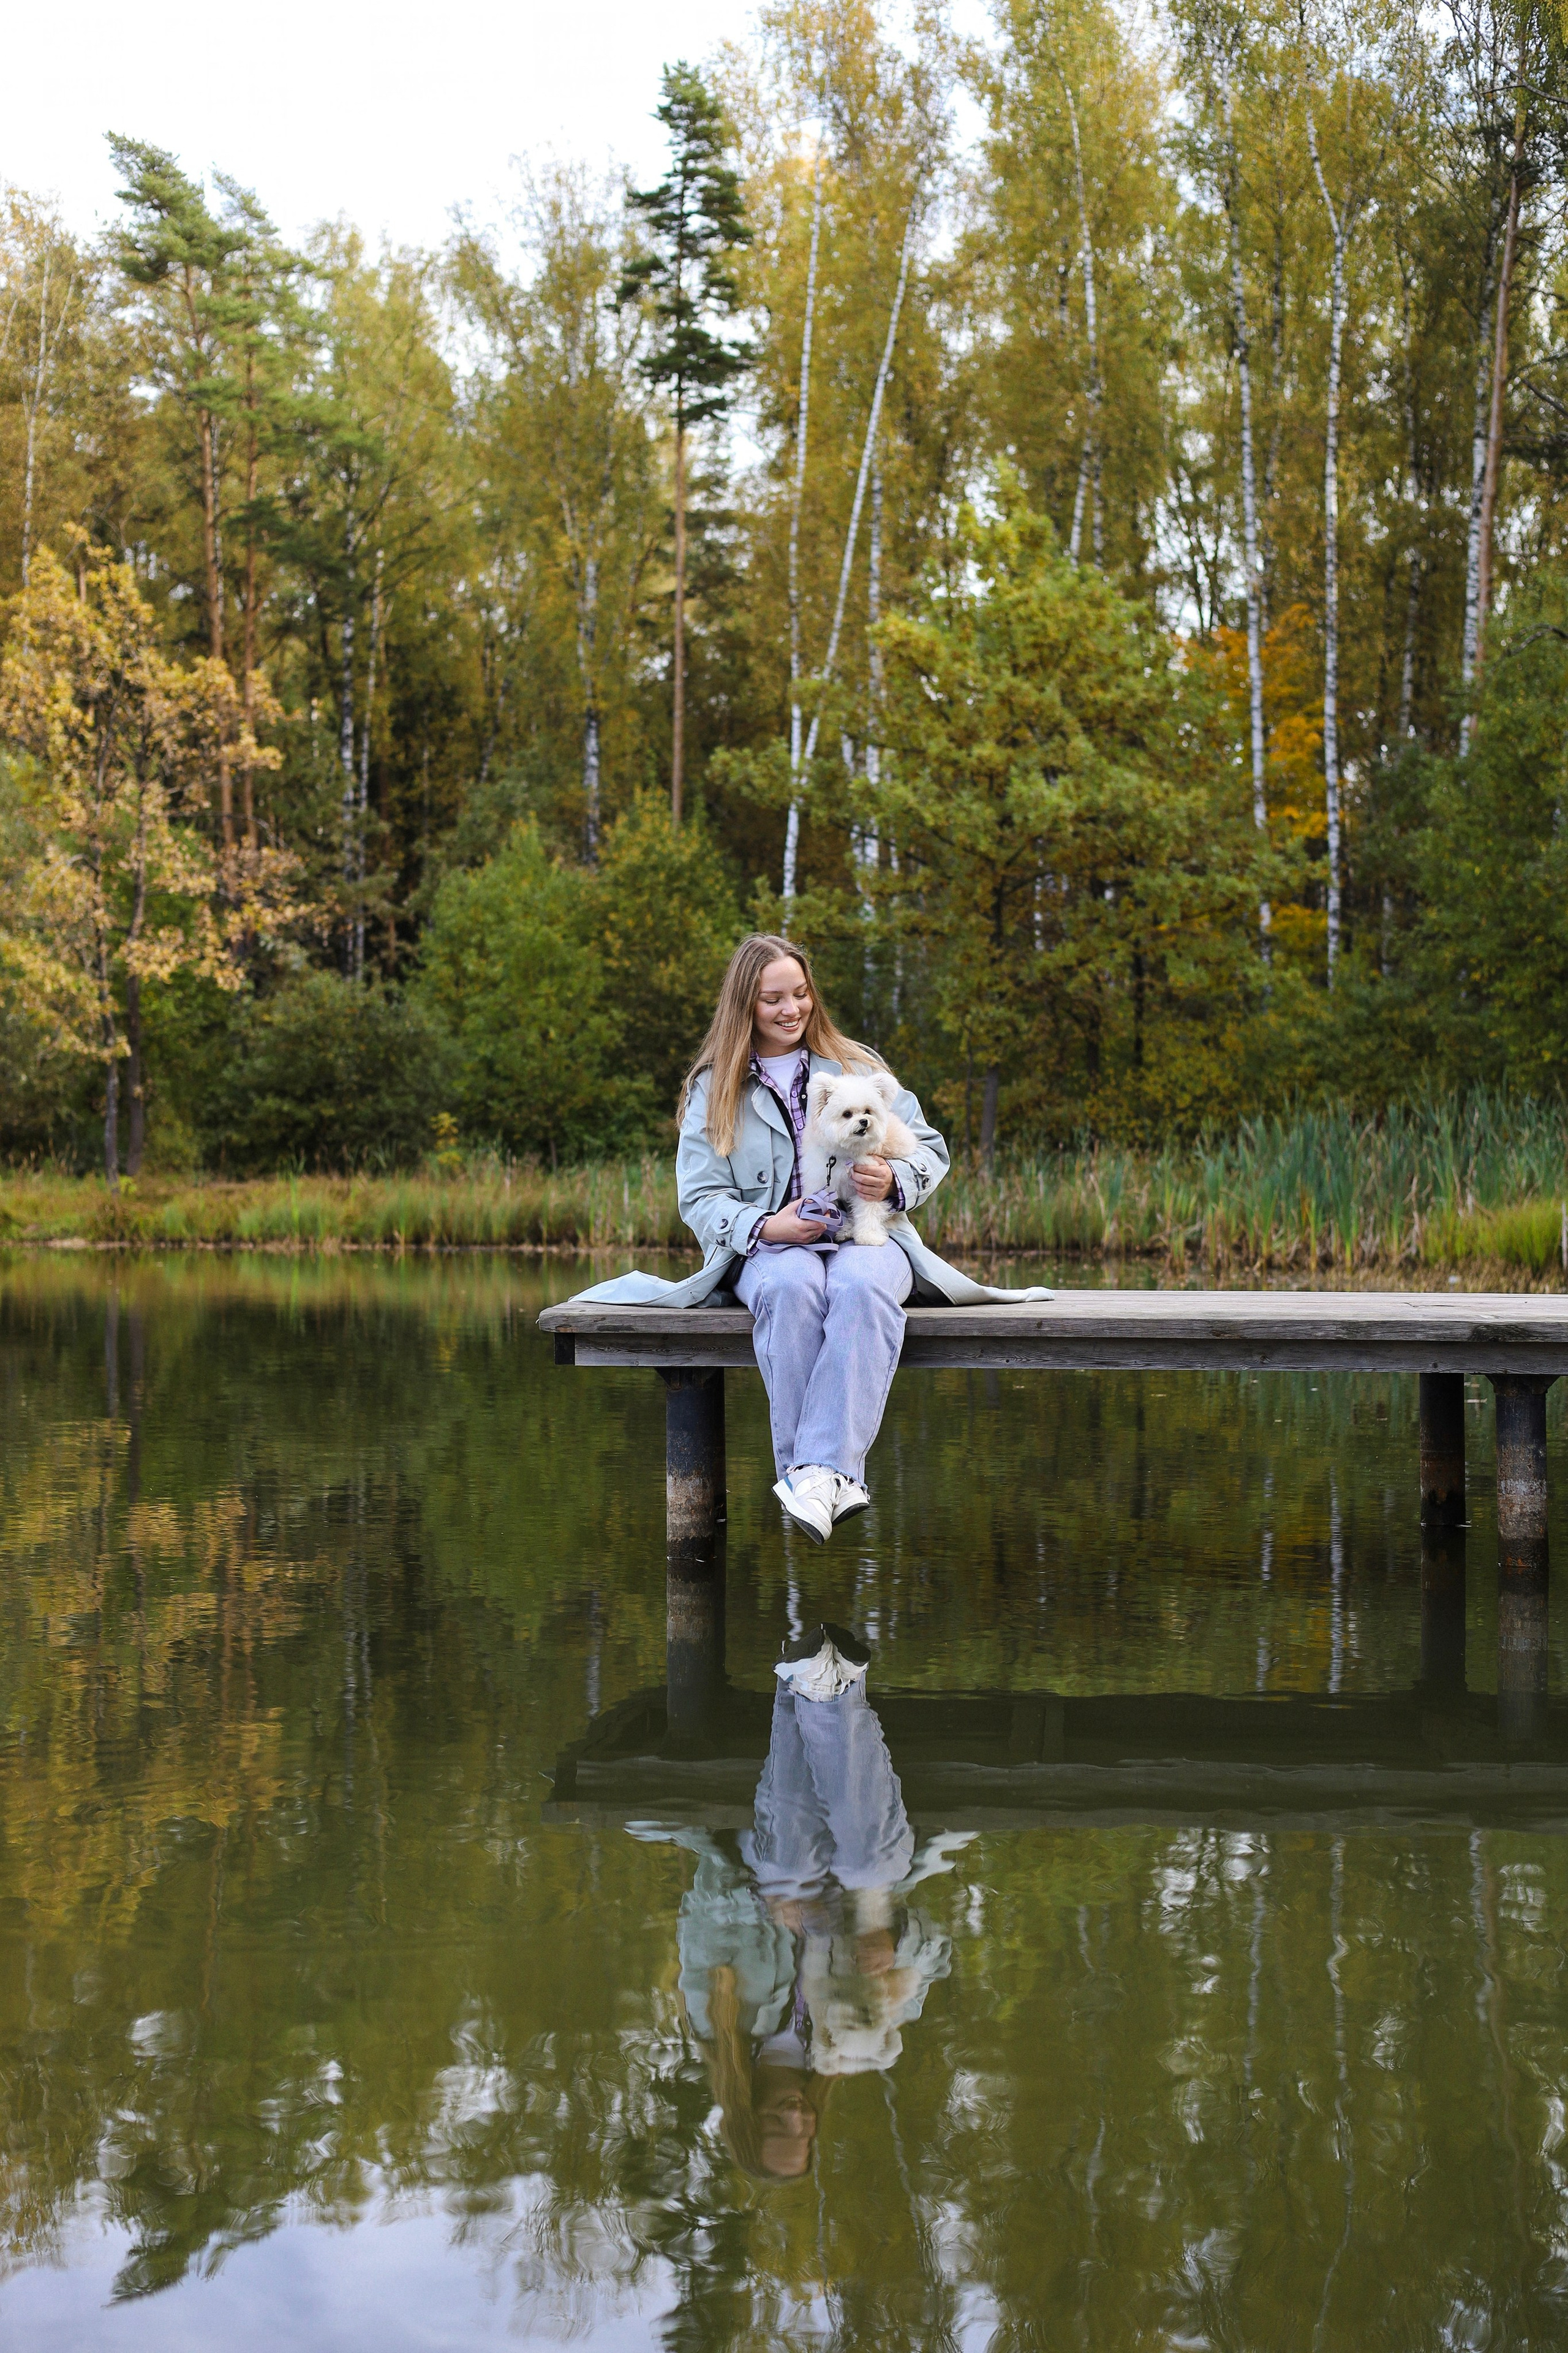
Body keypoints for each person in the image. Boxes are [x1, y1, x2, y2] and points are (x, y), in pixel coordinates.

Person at [561, 932, 1050, 1540]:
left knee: (860, 1287)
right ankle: (827, 1479)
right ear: (745, 1004)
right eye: (773, 999)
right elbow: (699, 1197)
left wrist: (894, 1179)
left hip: (871, 1236)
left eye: (800, 994)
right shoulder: (715, 1088)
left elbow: (929, 1147)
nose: (790, 1009)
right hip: (770, 1248)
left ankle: (810, 1478)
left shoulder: (858, 1066)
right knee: (791, 1287)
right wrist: (767, 1225)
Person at [630, 1626, 971, 2183]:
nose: (798, 2118)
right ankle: (816, 1687)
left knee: (790, 1869)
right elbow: (935, 1956)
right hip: (863, 1863)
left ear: (745, 2117)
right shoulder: (862, 2039)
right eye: (806, 2134)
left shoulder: (718, 2020)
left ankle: (821, 1689)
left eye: (775, 2126)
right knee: (871, 1870)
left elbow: (701, 1916)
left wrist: (767, 1904)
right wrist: (896, 1940)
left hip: (770, 1863)